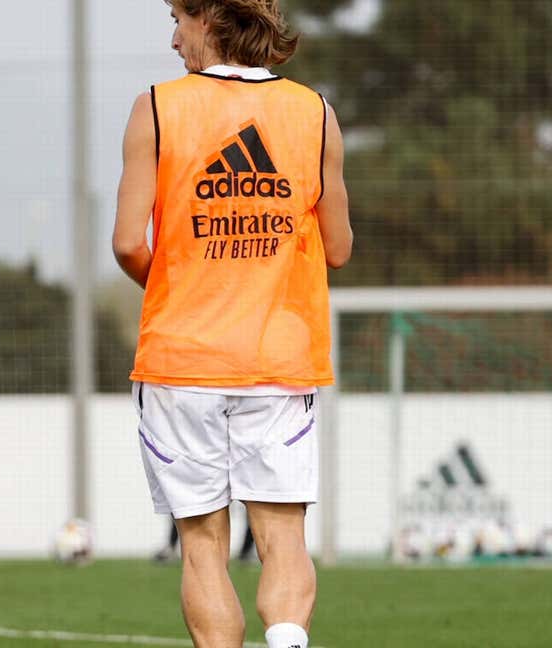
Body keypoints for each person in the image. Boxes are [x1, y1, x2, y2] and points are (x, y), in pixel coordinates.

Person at [112, 1, 352, 647]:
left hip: (181, 361)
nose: (172, 38)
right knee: (282, 537)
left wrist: (185, 285)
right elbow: (337, 248)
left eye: (177, 20)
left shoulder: (156, 108)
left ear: (210, 18)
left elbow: (129, 244)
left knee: (203, 546)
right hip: (279, 360)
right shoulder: (316, 113)